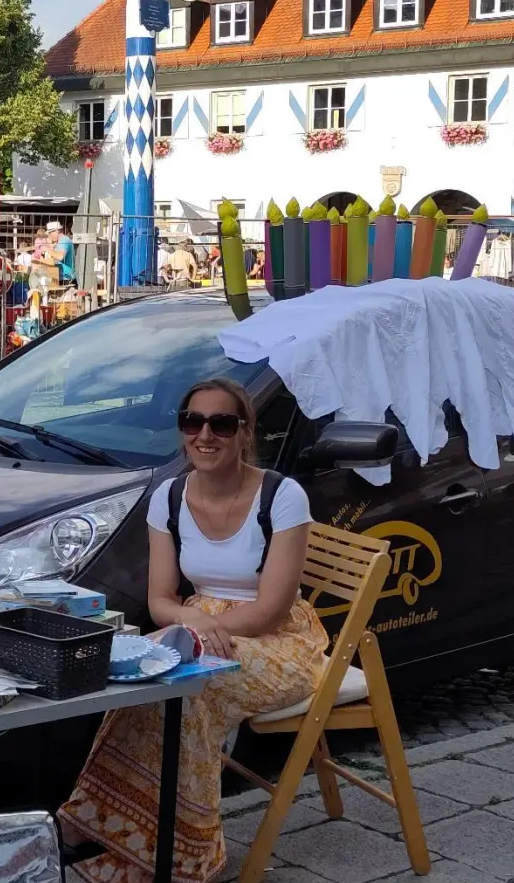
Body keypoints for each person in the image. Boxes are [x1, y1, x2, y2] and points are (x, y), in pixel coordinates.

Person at [60, 378, 325, 883]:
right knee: (136, 680)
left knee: (192, 691)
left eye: (221, 423)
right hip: (199, 623)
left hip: (281, 640)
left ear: (244, 432)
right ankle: (100, 826)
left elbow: (272, 610)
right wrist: (193, 622)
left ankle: (185, 857)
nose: (205, 435)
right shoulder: (171, 495)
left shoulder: (283, 495)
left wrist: (200, 628)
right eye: (192, 422)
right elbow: (161, 600)